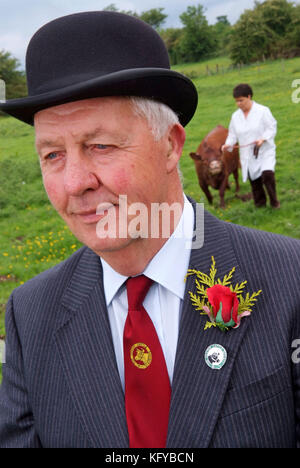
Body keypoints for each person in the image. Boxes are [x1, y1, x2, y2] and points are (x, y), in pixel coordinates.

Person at [0, 11, 299, 449]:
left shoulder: (291, 279)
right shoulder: (31, 315)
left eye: (100, 146)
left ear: (170, 145)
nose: (74, 183)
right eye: (52, 155)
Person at [222, 83, 280, 208]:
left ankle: (274, 202)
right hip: (247, 154)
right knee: (254, 180)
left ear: (249, 97)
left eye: (241, 100)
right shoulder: (235, 116)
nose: (239, 104)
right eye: (236, 101)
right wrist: (228, 145)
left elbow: (272, 127)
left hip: (264, 151)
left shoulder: (263, 111)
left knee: (267, 175)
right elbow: (232, 135)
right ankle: (260, 205)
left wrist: (263, 139)